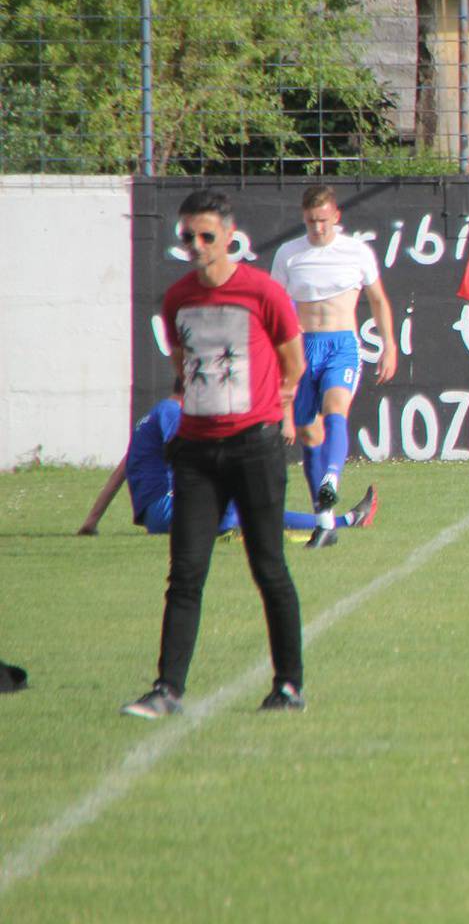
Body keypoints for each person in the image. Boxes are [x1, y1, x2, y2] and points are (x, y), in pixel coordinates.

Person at [122, 188, 308, 719]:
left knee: (268, 566)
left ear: (230, 237)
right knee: (185, 572)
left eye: (207, 236)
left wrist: (275, 411)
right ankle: (167, 688)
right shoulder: (178, 297)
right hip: (198, 453)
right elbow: (182, 363)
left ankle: (288, 685)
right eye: (187, 238)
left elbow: (292, 362)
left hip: (255, 447)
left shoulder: (263, 292)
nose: (197, 246)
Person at [270, 184, 396, 549]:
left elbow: (378, 300)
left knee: (335, 408)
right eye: (311, 221)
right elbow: (276, 307)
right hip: (302, 348)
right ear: (303, 218)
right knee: (309, 435)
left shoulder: (356, 252)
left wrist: (389, 345)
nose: (318, 228)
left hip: (341, 344)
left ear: (336, 217)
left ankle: (331, 480)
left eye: (323, 221)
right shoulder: (289, 255)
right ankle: (325, 523)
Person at [79, 384, 377, 538]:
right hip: (170, 507)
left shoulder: (150, 418)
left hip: (159, 513)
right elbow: (182, 451)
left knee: (249, 506)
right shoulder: (172, 411)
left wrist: (91, 522)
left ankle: (341, 521)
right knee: (255, 507)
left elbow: (120, 473)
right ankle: (341, 522)